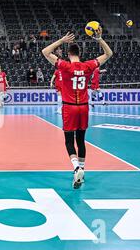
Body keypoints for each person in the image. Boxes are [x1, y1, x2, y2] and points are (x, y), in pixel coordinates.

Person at [41, 30, 113, 189]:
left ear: (68, 54)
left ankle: (76, 168)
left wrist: (61, 39)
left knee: (68, 140)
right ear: (80, 53)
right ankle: (83, 170)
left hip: (69, 107)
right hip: (84, 107)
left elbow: (45, 52)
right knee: (81, 141)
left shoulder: (64, 65)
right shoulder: (88, 65)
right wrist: (99, 39)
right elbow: (109, 53)